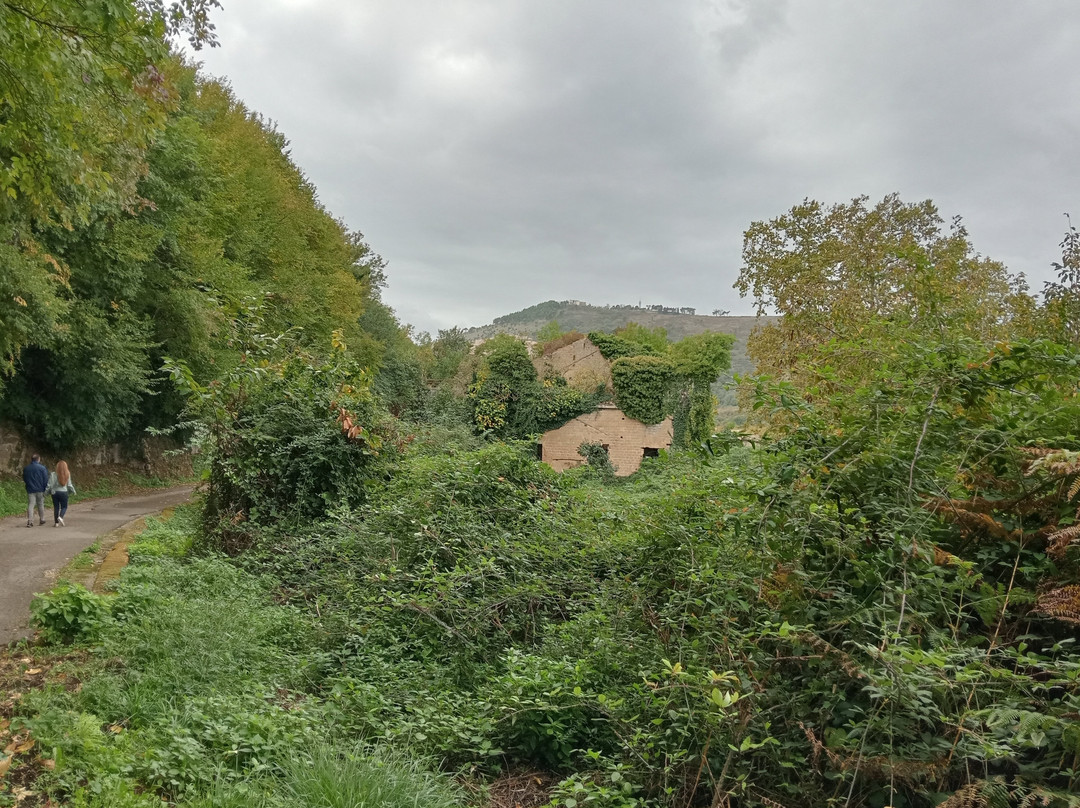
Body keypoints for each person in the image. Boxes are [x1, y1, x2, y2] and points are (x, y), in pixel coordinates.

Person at [22, 454, 49, 528]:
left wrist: (28, 485)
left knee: (31, 504)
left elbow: (24, 478)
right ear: (38, 459)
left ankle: (30, 521)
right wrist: (45, 488)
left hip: (30, 489)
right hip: (40, 489)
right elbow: (45, 479)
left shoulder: (26, 468)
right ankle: (42, 519)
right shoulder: (42, 468)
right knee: (40, 504)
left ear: (31, 459)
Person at [47, 461, 76, 527]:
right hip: (64, 492)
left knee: (56, 507)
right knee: (64, 506)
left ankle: (56, 523)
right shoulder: (67, 474)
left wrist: (46, 492)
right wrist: (73, 491)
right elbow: (69, 485)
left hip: (54, 493)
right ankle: (61, 516)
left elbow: (50, 485)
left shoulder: (53, 474)